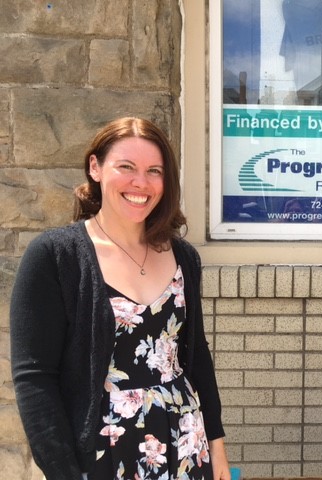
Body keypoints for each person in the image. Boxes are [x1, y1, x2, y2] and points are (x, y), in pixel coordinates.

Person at [10, 117, 231, 480]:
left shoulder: (183, 257)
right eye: (125, 167)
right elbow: (35, 379)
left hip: (186, 445)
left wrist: (217, 444)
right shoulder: (54, 256)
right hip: (104, 453)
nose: (140, 183)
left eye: (154, 171)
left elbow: (196, 355)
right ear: (95, 167)